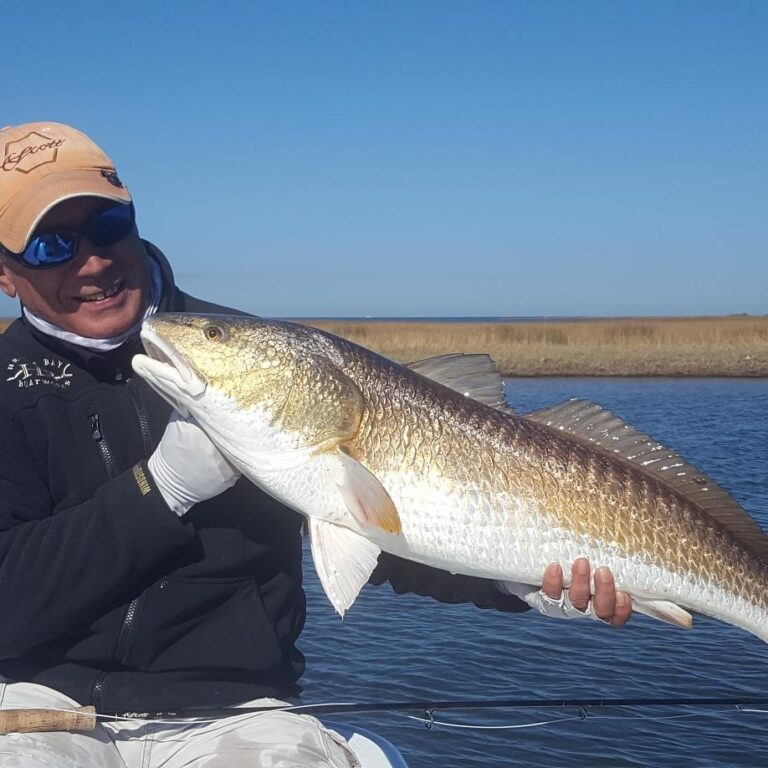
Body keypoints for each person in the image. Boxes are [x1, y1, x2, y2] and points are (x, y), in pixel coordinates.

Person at [0, 122, 632, 767]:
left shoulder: (268, 355)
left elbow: (384, 518)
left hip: (234, 711)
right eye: (52, 245)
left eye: (107, 226)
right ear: (5, 273)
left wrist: (516, 582)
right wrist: (159, 492)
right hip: (32, 701)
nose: (94, 261)